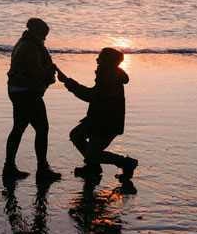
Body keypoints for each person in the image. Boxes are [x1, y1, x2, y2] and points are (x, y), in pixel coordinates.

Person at [55, 47, 138, 180]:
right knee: (76, 135)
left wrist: (67, 82)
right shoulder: (108, 74)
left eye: (100, 58)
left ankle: (126, 163)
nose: (97, 59)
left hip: (106, 124)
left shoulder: (109, 77)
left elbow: (91, 96)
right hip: (97, 120)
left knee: (92, 154)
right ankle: (92, 167)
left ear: (107, 61)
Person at [4, 18, 61, 181]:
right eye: (43, 34)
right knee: (42, 128)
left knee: (19, 128)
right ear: (36, 31)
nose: (44, 38)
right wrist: (50, 68)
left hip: (17, 90)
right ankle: (42, 169)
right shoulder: (30, 47)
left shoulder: (24, 42)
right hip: (26, 92)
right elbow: (37, 73)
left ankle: (9, 167)